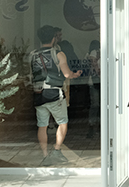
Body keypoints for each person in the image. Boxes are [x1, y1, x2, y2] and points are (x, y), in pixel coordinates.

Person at [30, 25, 82, 166]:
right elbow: (66, 74)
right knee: (62, 122)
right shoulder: (58, 54)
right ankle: (57, 150)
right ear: (54, 38)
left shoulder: (33, 54)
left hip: (38, 93)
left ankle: (45, 155)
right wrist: (74, 74)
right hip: (54, 93)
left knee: (42, 125)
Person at [86, 40, 101, 139]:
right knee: (96, 105)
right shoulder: (94, 53)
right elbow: (94, 65)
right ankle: (93, 126)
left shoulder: (96, 52)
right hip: (96, 82)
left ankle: (96, 125)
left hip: (96, 81)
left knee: (96, 105)